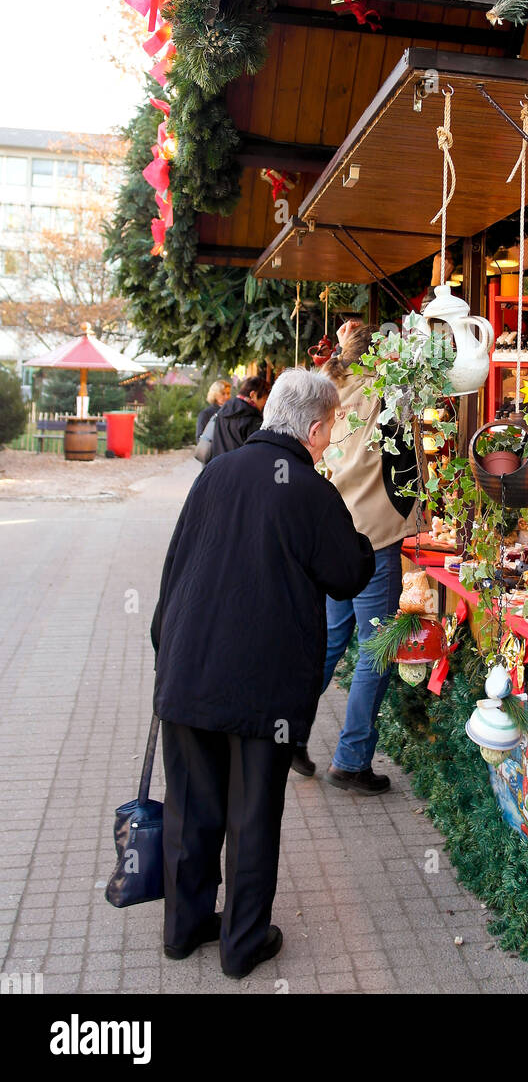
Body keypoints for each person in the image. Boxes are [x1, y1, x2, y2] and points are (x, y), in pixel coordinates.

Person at [150, 368, 375, 978]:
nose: (329, 443)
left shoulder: (217, 472)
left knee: (191, 806)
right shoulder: (306, 488)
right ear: (316, 426)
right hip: (262, 689)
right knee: (251, 817)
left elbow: (176, 566)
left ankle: (184, 927)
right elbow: (350, 572)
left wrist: (162, 653)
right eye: (329, 432)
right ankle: (242, 943)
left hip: (188, 668)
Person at [296, 320, 419, 794]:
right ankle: (351, 759)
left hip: (333, 533)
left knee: (330, 638)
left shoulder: (327, 388)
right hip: (373, 537)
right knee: (374, 652)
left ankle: (290, 733)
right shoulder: (386, 387)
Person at [210, 375, 269, 458]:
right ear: (253, 395)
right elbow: (257, 454)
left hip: (220, 466)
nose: (265, 403)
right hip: (241, 469)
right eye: (264, 398)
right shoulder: (252, 418)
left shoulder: (223, 410)